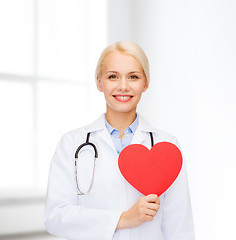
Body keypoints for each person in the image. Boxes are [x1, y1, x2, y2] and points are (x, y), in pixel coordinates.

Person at [44, 41, 195, 240]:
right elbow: (55, 216)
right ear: (99, 82)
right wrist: (123, 219)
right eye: (113, 76)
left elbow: (179, 227)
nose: (123, 86)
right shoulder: (72, 144)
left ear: (145, 83)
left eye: (133, 77)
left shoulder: (167, 146)